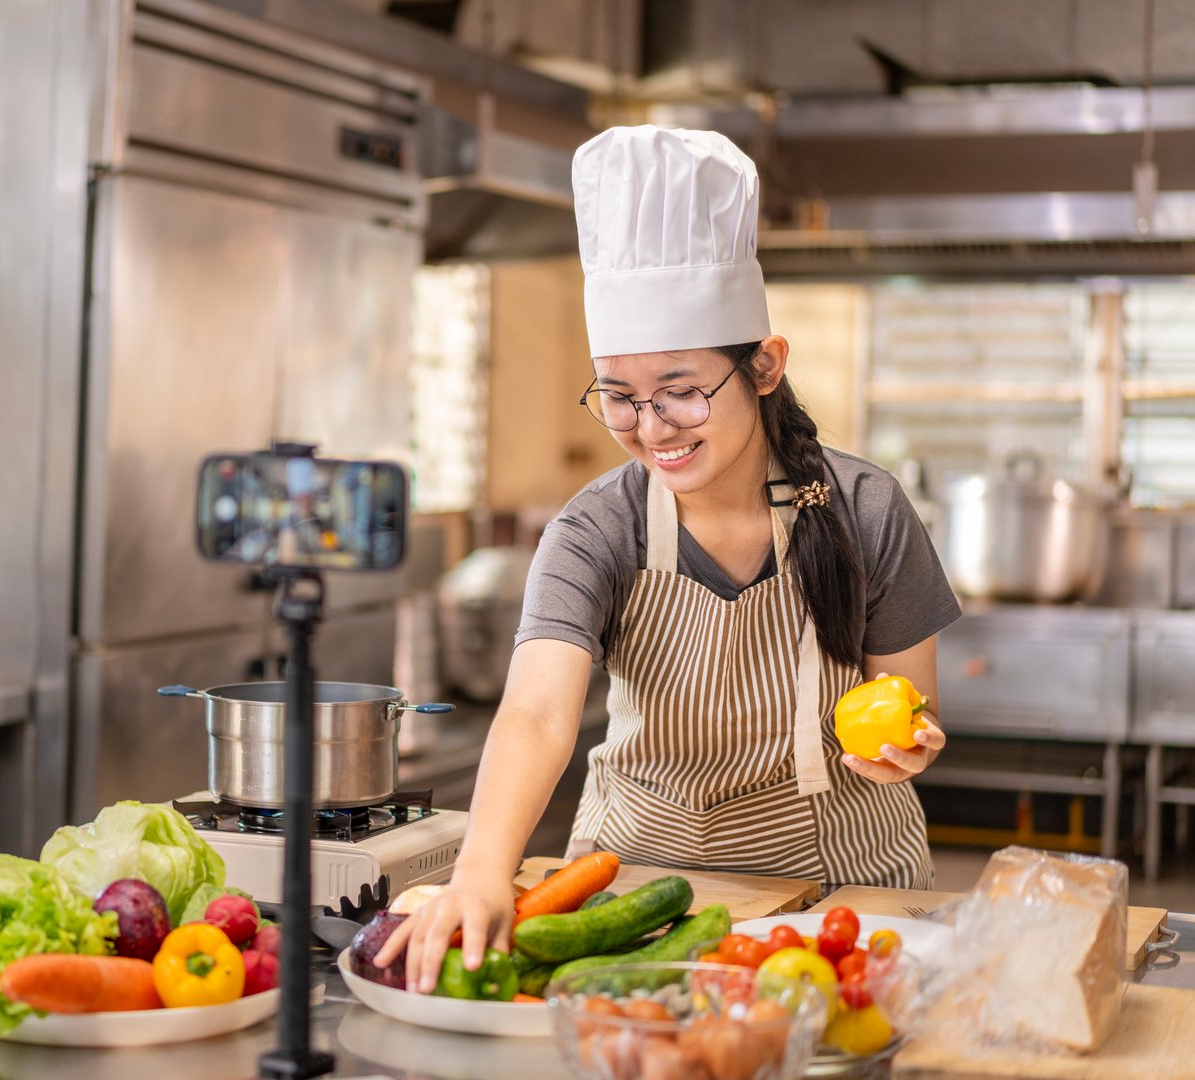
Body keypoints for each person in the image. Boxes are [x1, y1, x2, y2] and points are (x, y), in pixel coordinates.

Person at [377, 126, 963, 993]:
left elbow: (909, 704)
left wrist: (908, 749)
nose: (652, 429)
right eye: (619, 396)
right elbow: (537, 714)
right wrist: (480, 869)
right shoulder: (596, 528)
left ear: (764, 367)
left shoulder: (865, 507)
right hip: (633, 882)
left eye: (683, 391)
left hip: (844, 884)